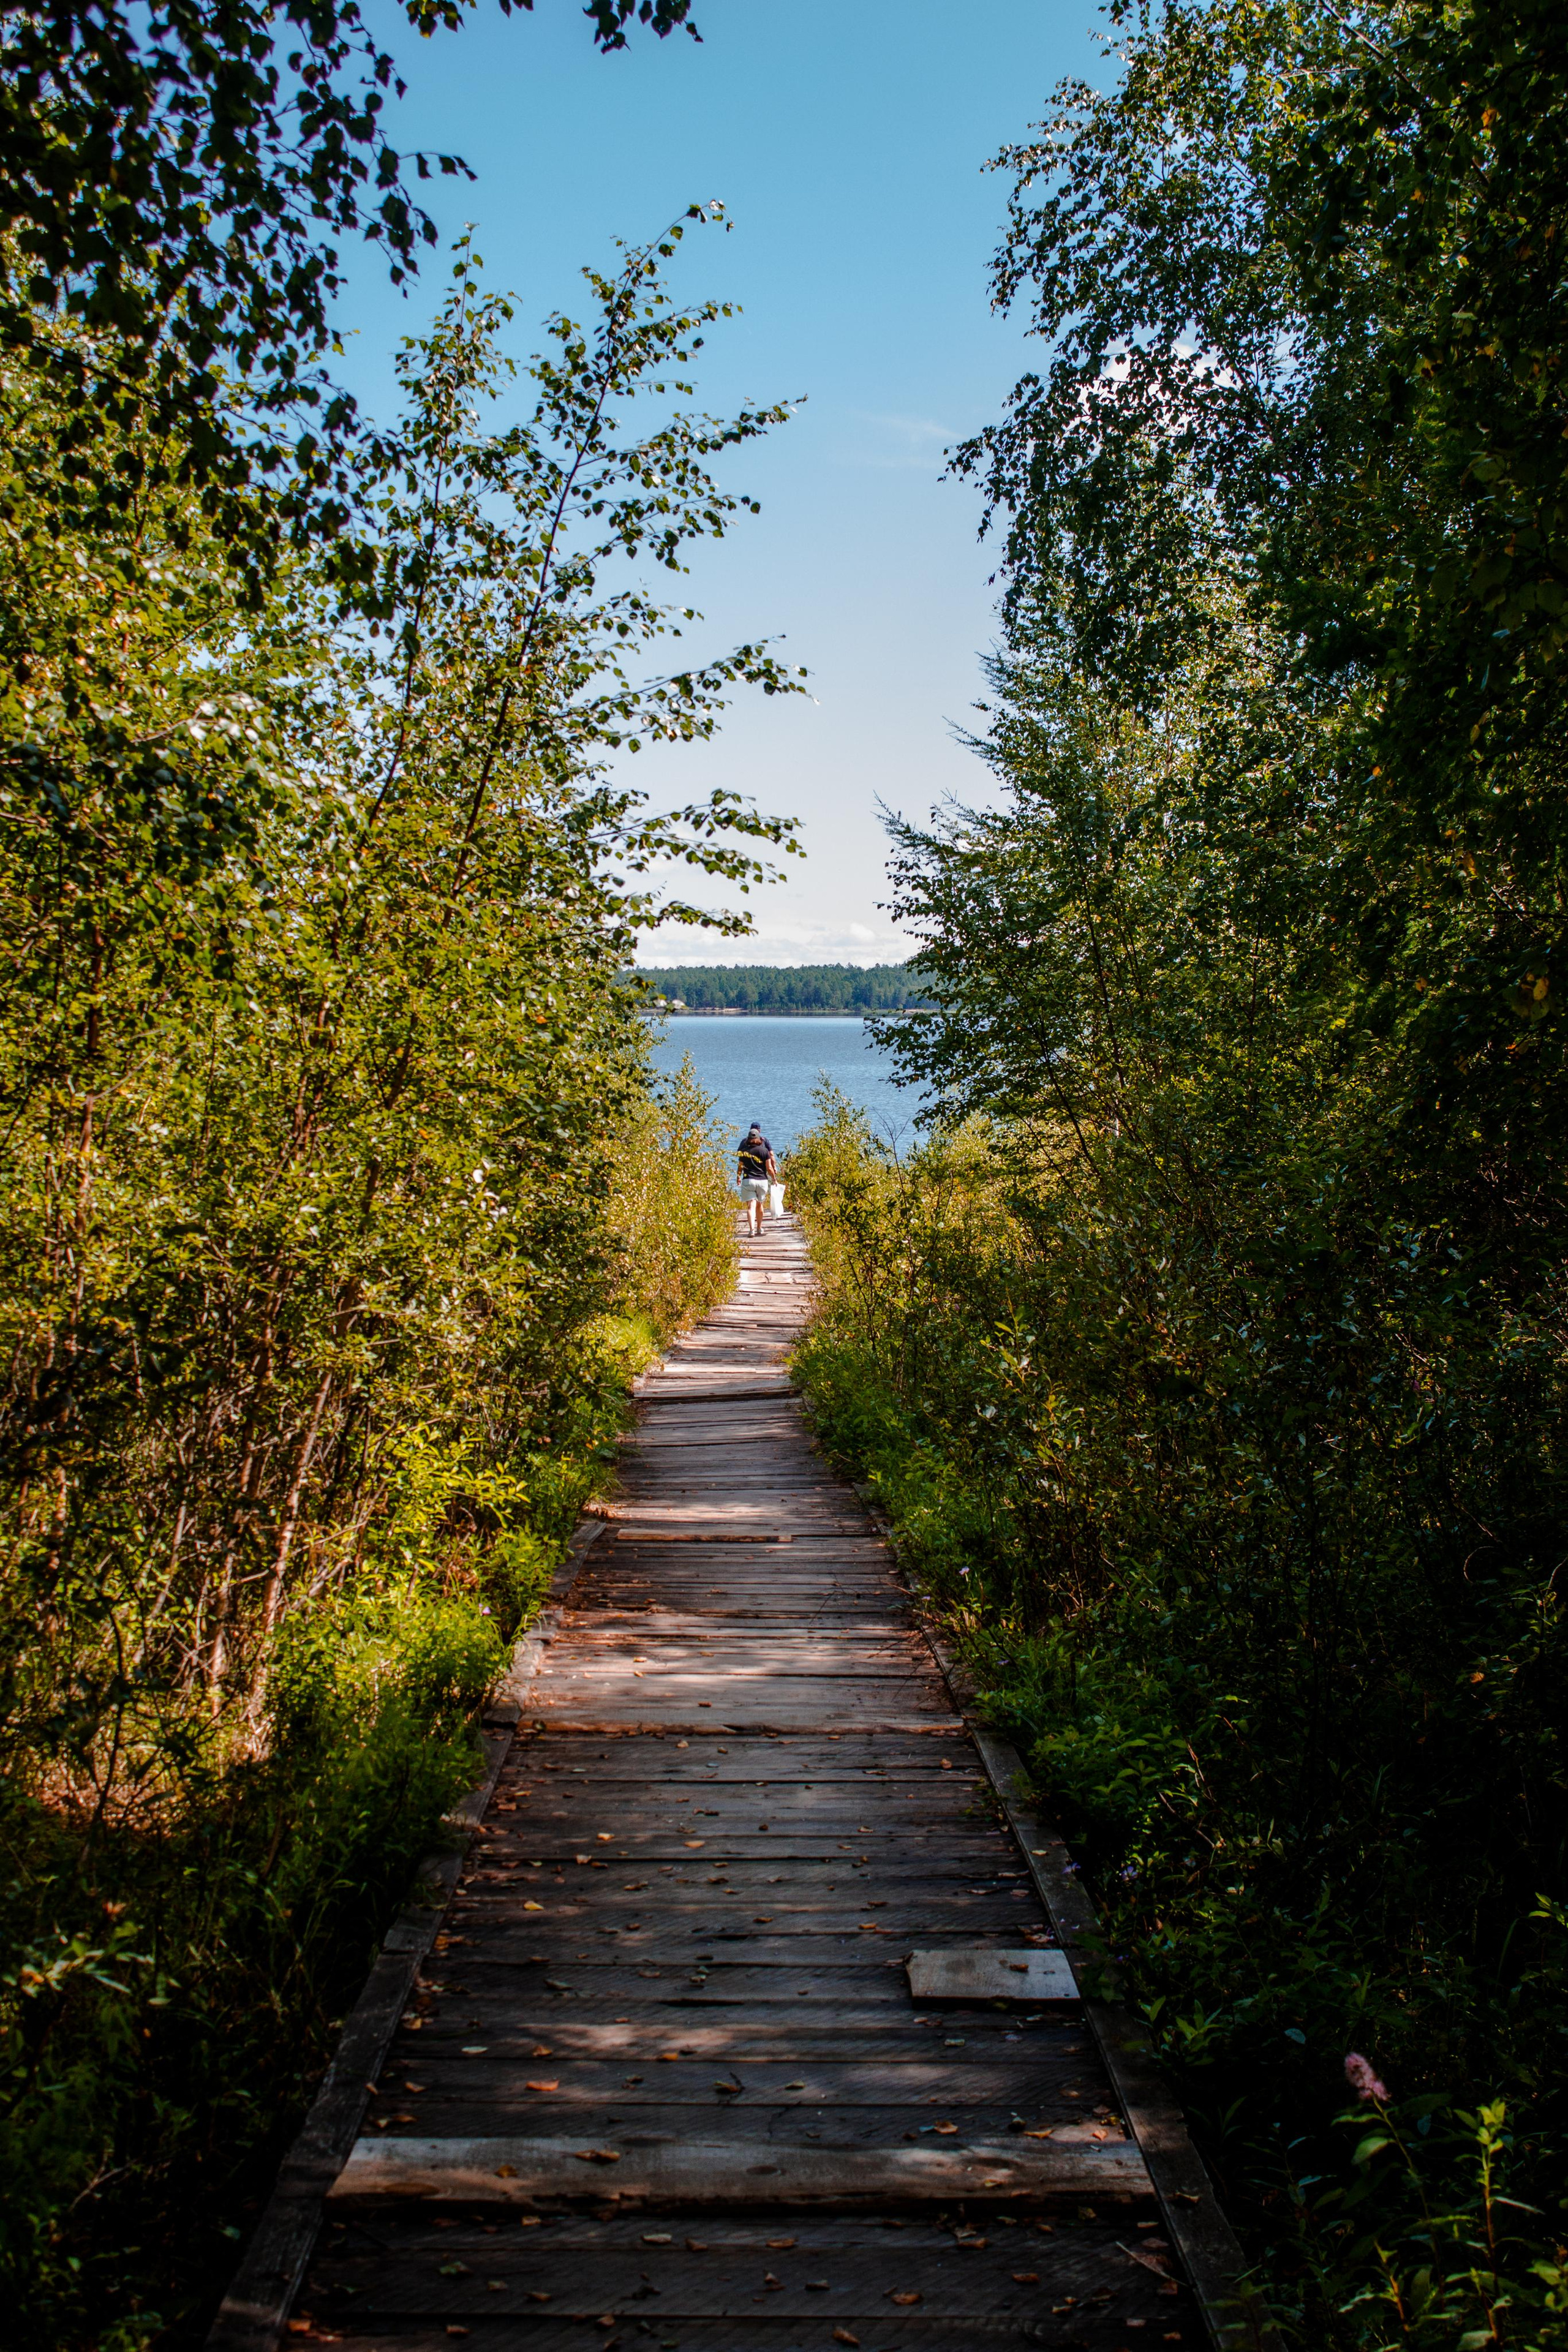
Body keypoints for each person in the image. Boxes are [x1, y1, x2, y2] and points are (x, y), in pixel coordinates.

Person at [736, 1121, 777, 1238]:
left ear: (748, 1139)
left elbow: (740, 1166)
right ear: (759, 1138)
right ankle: (759, 1228)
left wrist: (738, 1176)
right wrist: (774, 1179)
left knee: (751, 1206)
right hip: (762, 1181)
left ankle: (751, 1230)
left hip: (748, 1180)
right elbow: (769, 1168)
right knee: (760, 1205)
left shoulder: (744, 1152)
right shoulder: (764, 1151)